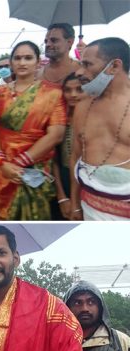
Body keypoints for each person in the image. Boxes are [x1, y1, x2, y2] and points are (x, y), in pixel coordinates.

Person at [0, 41, 66, 220]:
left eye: (28, 58)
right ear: (11, 63)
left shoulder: (53, 93)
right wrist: (1, 162)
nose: (22, 63)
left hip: (34, 167)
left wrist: (20, 164)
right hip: (3, 168)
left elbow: (56, 134)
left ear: (38, 62)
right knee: (2, 216)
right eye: (17, 58)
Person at [71, 37, 130, 220]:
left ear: (114, 66)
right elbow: (75, 155)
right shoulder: (82, 105)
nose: (80, 71)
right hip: (88, 206)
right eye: (81, 64)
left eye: (88, 64)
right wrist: (74, 206)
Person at [51, 73, 84, 220]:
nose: (73, 95)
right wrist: (62, 197)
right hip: (62, 182)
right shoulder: (58, 120)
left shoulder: (95, 119)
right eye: (68, 90)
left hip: (87, 185)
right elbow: (53, 161)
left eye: (79, 89)